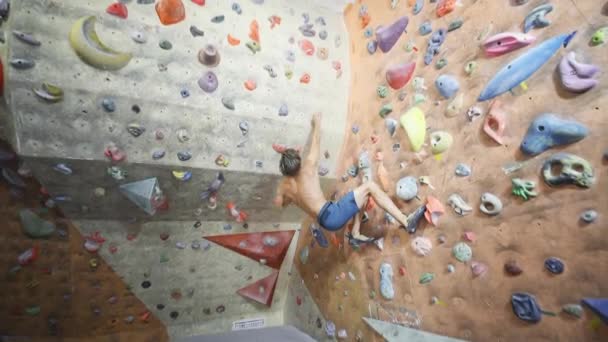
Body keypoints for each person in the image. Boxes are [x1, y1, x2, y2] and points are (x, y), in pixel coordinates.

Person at [273, 112, 410, 244]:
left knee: (361, 192)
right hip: (333, 214)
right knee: (370, 186)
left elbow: (280, 204)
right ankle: (405, 220)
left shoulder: (285, 187)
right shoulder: (308, 168)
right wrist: (317, 121)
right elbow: (316, 140)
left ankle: (355, 233)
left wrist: (287, 196)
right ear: (298, 160)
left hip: (324, 222)